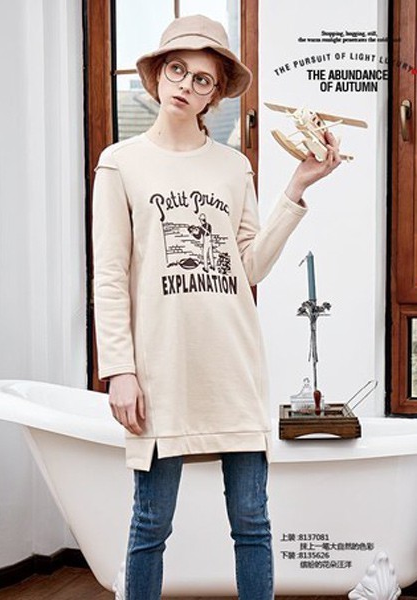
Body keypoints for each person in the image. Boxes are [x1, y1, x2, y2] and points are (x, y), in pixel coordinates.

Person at [92, 14, 341, 600]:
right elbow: (109, 275)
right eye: (178, 69)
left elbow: (248, 267)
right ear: (158, 74)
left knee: (252, 524)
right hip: (161, 369)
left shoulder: (234, 167)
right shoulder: (120, 163)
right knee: (150, 525)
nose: (187, 84)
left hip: (233, 366)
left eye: (203, 79)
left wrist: (296, 187)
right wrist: (119, 369)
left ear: (216, 93)